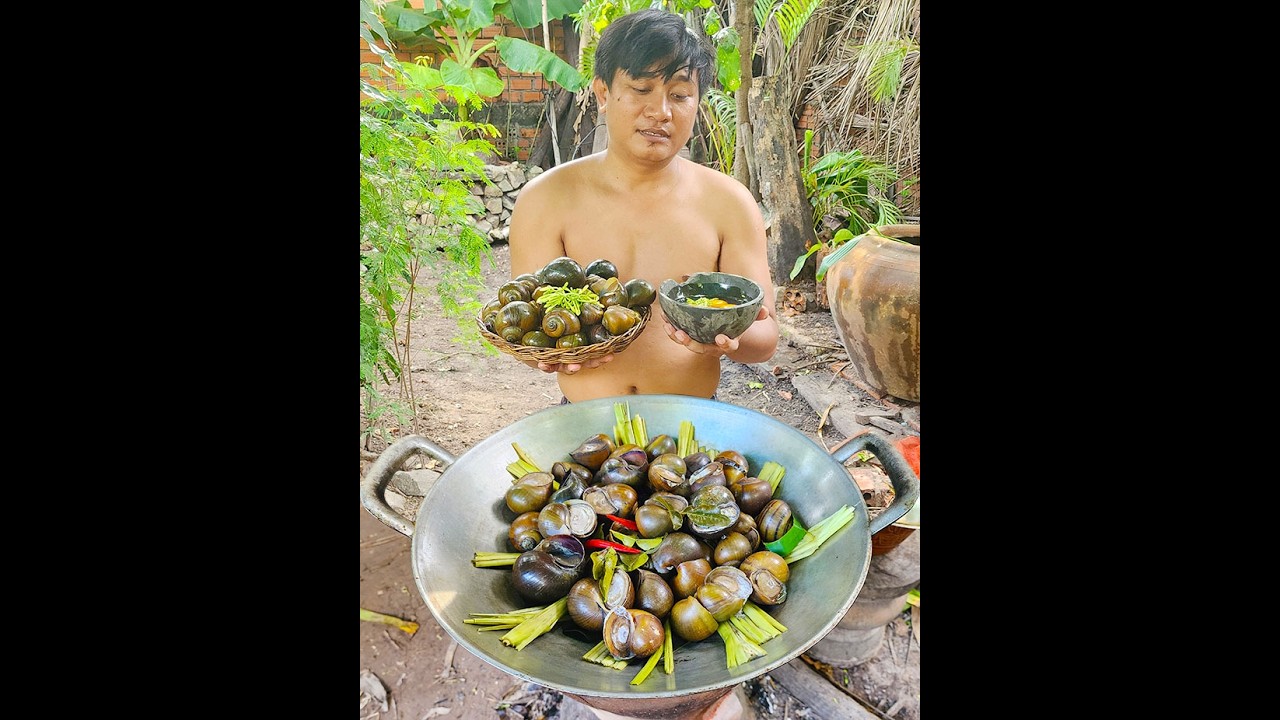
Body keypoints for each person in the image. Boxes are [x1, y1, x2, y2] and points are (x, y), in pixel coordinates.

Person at [508, 8, 779, 403]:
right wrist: (546, 356)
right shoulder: (545, 201)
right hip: (585, 426)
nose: (661, 112)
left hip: (692, 427)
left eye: (680, 95)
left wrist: (726, 341)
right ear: (603, 93)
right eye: (641, 89)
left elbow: (765, 335)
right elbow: (528, 322)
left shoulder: (728, 203)